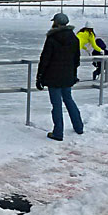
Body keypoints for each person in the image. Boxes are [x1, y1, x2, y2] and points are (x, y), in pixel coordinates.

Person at [36, 13, 83, 141]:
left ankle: (58, 133)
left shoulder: (52, 38)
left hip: (53, 77)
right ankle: (79, 126)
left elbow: (45, 59)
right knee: (69, 100)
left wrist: (39, 76)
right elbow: (76, 60)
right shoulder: (74, 38)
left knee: (56, 105)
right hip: (67, 76)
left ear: (56, 23)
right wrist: (73, 74)